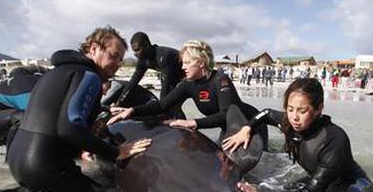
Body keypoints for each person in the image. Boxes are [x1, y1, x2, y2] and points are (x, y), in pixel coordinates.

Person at [7, 26, 151, 192]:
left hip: (19, 163)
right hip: (45, 167)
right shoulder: (89, 76)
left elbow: (55, 118)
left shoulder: (59, 72)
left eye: (120, 60)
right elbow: (69, 126)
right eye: (113, 56)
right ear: (94, 48)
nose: (117, 65)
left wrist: (102, 113)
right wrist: (117, 152)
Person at [222, 78, 373, 192]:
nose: (294, 117)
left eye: (302, 111)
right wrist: (246, 129)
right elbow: (266, 113)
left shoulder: (334, 140)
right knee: (283, 190)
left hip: (351, 183)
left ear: (319, 108)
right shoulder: (290, 121)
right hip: (319, 178)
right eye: (290, 109)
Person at [108, 39, 267, 145]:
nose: (183, 67)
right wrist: (132, 111)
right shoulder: (188, 84)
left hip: (250, 124)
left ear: (202, 62)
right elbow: (163, 104)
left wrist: (193, 123)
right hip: (229, 128)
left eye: (187, 62)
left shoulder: (221, 80)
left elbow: (226, 114)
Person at [120, 32, 185, 118]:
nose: (136, 54)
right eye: (134, 52)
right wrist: (119, 102)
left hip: (189, 77)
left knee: (172, 105)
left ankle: (184, 129)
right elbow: (133, 82)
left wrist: (160, 109)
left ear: (146, 45)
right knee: (168, 106)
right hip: (173, 77)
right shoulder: (142, 60)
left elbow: (166, 86)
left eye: (138, 50)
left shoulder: (164, 56)